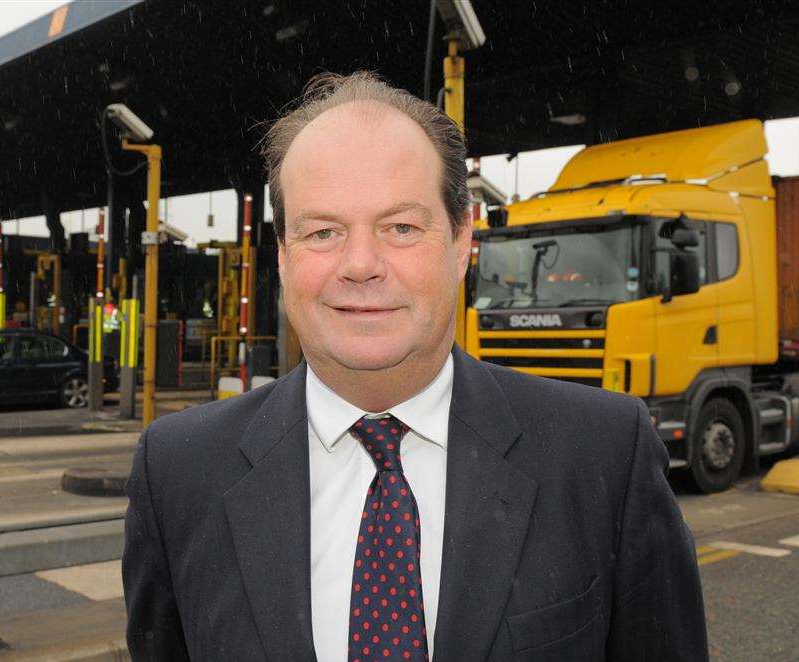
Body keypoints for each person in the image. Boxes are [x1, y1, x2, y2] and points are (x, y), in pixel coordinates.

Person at [122, 71, 708, 662]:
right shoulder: (177, 472)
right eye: (323, 231)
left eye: (401, 227)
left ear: (461, 241)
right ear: (282, 254)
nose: (360, 264)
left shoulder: (604, 453)